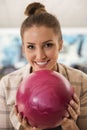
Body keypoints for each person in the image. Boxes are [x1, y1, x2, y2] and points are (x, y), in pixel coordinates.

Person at [0, 2, 87, 130]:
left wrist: (69, 125)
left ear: (60, 45)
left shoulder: (81, 81)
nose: (40, 56)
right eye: (31, 47)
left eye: (48, 45)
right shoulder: (6, 85)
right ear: (23, 49)